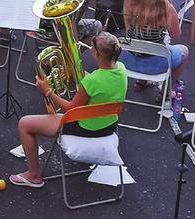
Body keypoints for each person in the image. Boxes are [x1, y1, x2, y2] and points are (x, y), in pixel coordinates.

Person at [9, 32, 127, 188]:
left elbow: (70, 109)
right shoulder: (121, 69)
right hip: (108, 127)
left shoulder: (92, 81)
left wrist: (47, 91)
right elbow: (103, 86)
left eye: (92, 46)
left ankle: (33, 176)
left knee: (24, 124)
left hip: (85, 129)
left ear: (97, 53)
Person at [119, 0, 189, 85]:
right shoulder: (168, 10)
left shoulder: (130, 1)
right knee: (185, 52)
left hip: (127, 60)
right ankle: (165, 93)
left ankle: (142, 82)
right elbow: (176, 35)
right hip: (155, 66)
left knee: (140, 44)